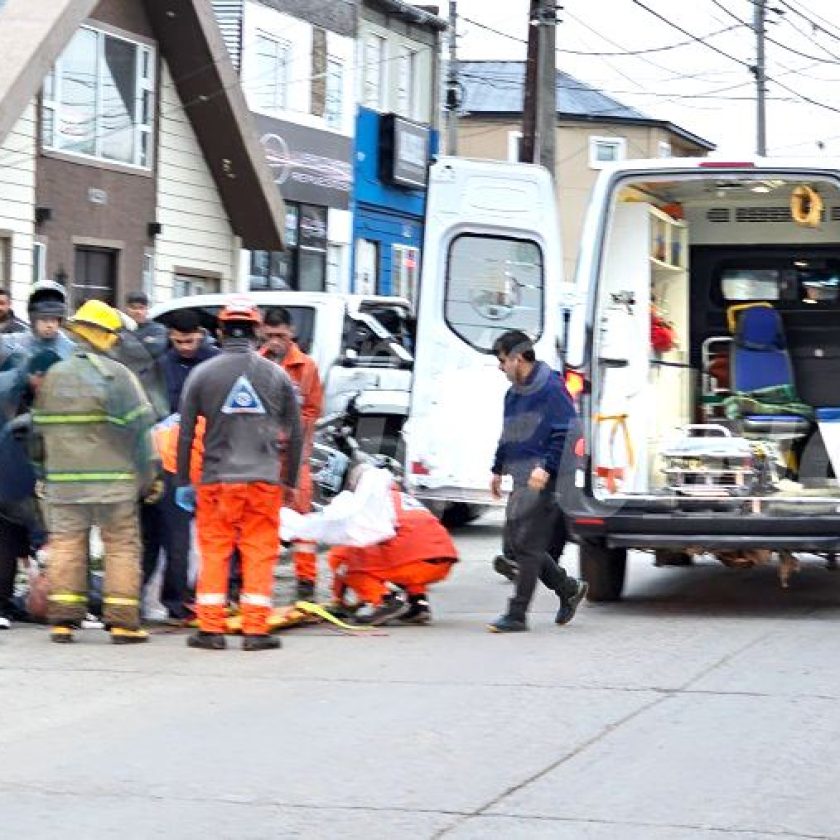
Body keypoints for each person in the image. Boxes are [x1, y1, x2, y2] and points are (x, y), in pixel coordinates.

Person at [176, 298, 303, 652]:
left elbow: (186, 433)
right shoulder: (276, 375)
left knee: (215, 552)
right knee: (259, 552)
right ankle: (256, 631)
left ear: (219, 331)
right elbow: (294, 434)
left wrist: (183, 481)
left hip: (217, 480)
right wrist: (290, 481)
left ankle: (211, 630)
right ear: (256, 331)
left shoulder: (202, 375)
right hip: (263, 481)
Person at [33, 299, 158, 644]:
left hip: (64, 484)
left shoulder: (55, 376)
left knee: (67, 546)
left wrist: (44, 472)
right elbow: (140, 432)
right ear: (105, 336)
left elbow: (37, 431)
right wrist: (151, 477)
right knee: (120, 546)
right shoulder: (117, 376)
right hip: (113, 484)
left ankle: (63, 621)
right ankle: (121, 623)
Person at [487, 330, 587, 633]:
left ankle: (517, 615)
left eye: (503, 361)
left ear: (518, 358)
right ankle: (567, 587)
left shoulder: (551, 389)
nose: (500, 367)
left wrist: (547, 467)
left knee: (528, 546)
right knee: (516, 545)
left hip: (547, 478)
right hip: (521, 476)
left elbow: (567, 430)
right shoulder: (513, 394)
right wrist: (496, 467)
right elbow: (509, 432)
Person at [0, 282, 75, 629]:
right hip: (15, 449)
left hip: (55, 452)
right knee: (8, 528)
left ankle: (61, 601)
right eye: (44, 320)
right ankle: (3, 601)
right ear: (32, 319)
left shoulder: (71, 351)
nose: (50, 325)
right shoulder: (13, 347)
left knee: (54, 530)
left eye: (55, 319)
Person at [325, 484, 458, 626]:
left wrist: (338, 600)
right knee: (397, 556)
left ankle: (387, 601)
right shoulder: (403, 499)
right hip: (443, 561)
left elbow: (345, 552)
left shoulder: (369, 502)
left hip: (413, 562)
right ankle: (418, 604)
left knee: (345, 563)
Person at [260, 307, 324, 601]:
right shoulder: (257, 364)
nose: (275, 341)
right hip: (263, 455)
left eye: (281, 335)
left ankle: (306, 581)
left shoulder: (305, 366)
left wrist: (297, 435)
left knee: (302, 519)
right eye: (270, 335)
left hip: (296, 456)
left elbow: (312, 408)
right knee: (263, 518)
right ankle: (259, 580)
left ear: (292, 333)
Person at [162, 309, 219, 413]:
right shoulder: (162, 365)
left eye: (189, 341)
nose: (185, 347)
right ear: (170, 336)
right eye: (179, 342)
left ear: (200, 334)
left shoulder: (217, 361)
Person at [124, 291, 168, 360]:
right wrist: (145, 342)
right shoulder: (121, 327)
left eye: (141, 308)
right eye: (133, 308)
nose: (138, 312)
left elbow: (155, 349)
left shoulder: (158, 329)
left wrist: (124, 344)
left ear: (147, 309)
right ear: (126, 309)